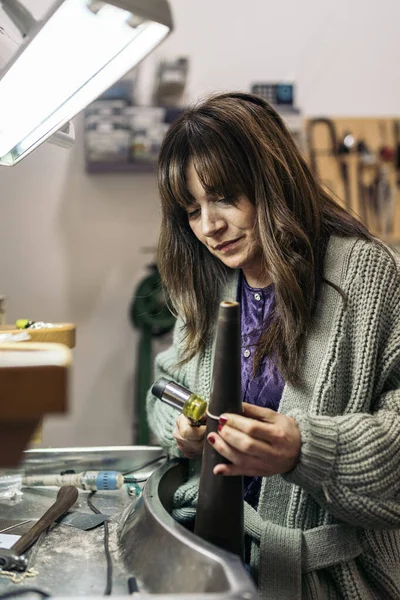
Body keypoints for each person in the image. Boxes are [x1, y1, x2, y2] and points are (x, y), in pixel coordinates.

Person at [146, 91, 400, 599]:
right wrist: (180, 431)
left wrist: (305, 450)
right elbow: (165, 386)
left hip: (330, 581)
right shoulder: (210, 283)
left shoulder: (369, 277)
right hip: (215, 559)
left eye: (223, 197)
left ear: (271, 179)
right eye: (191, 210)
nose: (209, 227)